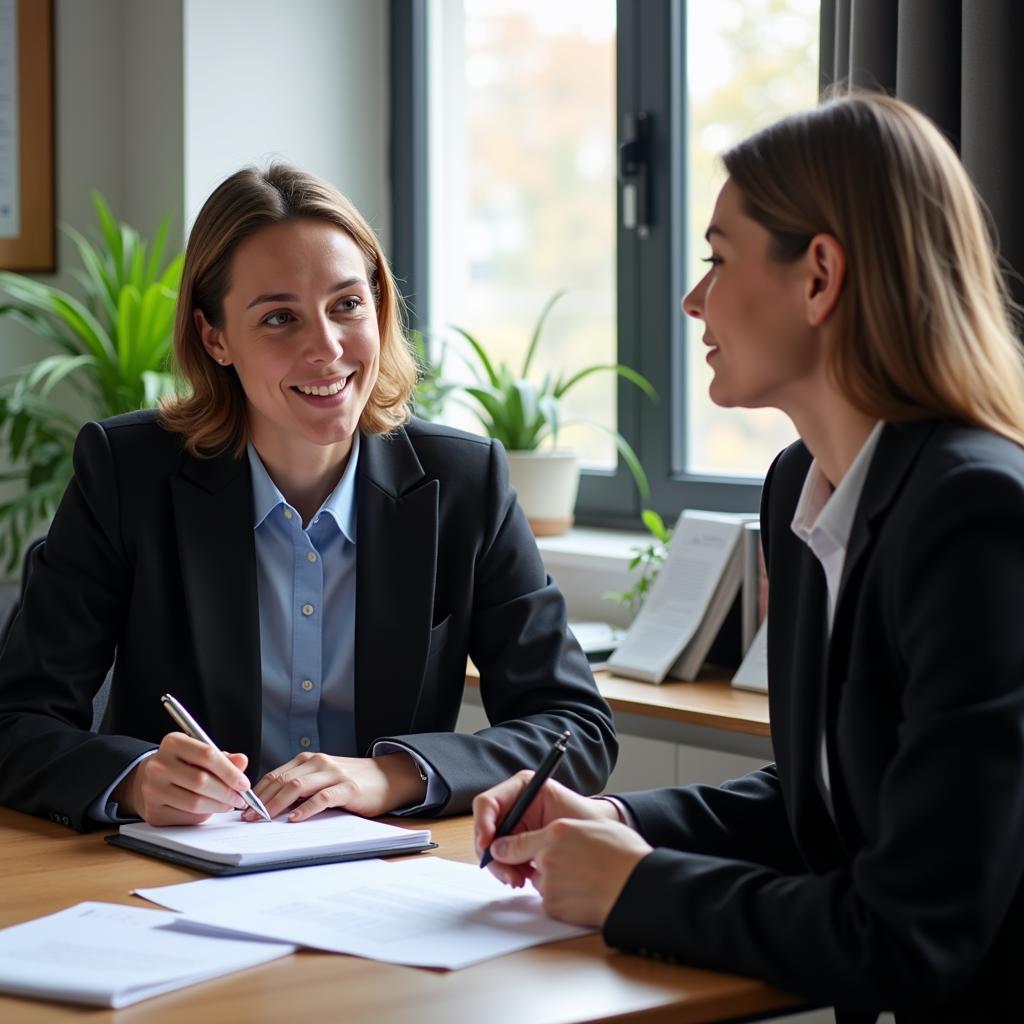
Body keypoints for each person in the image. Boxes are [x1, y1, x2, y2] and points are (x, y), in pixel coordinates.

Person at [473, 93, 1024, 1023]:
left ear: (819, 278)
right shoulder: (800, 488)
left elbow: (916, 928)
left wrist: (634, 891)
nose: (693, 299)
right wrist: (617, 823)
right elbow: (827, 800)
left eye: (718, 260)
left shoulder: (977, 516)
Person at [0, 164, 616, 832]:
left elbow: (576, 729)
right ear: (216, 338)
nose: (326, 348)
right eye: (279, 318)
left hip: (383, 880)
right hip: (175, 880)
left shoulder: (464, 483)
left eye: (347, 305)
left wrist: (393, 773)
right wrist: (134, 780)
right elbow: (15, 721)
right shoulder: (129, 475)